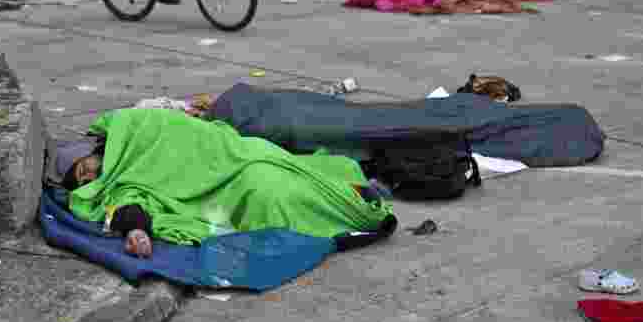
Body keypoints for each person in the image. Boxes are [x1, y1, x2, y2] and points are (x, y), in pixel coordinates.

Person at [57, 108, 395, 258]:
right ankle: (353, 208)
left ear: (92, 150)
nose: (89, 177)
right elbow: (131, 206)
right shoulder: (118, 185)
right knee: (269, 195)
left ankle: (352, 196)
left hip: (232, 152)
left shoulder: (132, 125)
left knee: (274, 169)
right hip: (227, 188)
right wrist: (136, 230)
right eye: (81, 181)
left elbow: (183, 131)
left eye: (84, 167)